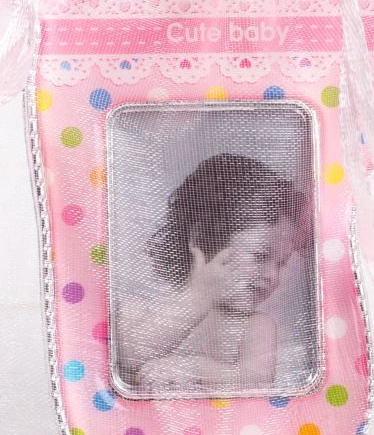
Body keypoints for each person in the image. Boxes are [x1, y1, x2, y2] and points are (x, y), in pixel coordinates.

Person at [116, 152, 310, 395]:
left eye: (281, 264)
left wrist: (196, 369)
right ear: (202, 240)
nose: (272, 275)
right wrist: (199, 296)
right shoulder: (144, 307)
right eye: (259, 255)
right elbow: (127, 356)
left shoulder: (254, 326)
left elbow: (258, 382)